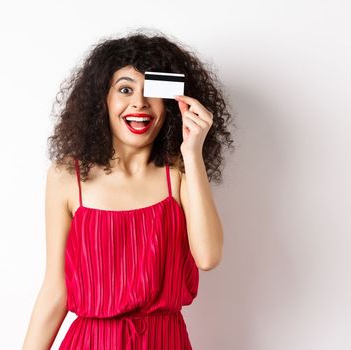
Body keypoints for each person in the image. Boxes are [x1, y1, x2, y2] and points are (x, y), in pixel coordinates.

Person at [22, 29, 234, 349]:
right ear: (102, 101)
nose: (139, 103)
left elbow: (208, 257)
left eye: (152, 91)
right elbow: (56, 289)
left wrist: (192, 153)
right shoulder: (68, 177)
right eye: (124, 89)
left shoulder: (178, 173)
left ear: (171, 103)